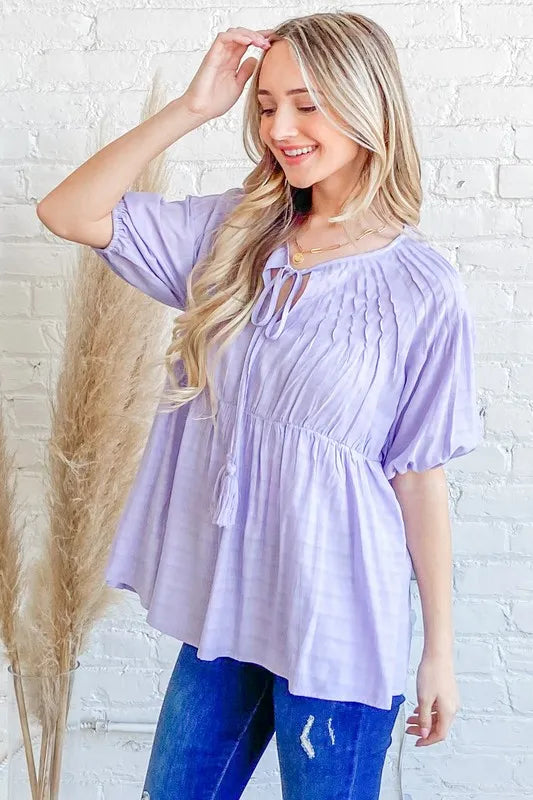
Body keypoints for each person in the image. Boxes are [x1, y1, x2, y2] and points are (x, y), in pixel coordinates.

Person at [36, 11, 483, 800]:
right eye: (266, 105)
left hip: (339, 624)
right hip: (227, 606)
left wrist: (439, 651)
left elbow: (418, 476)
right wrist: (192, 108)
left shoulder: (421, 287)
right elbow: (69, 212)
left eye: (306, 104)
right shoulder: (231, 235)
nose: (279, 128)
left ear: (366, 103)